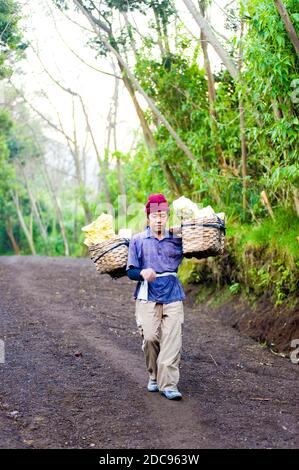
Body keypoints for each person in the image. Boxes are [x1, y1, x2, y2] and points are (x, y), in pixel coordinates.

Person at [126, 193, 185, 401]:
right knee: (150, 337)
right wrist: (142, 273)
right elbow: (130, 270)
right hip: (147, 294)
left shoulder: (177, 239)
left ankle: (169, 384)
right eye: (155, 215)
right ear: (148, 218)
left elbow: (198, 250)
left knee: (172, 339)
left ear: (167, 216)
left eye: (162, 215)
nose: (159, 219)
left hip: (172, 293)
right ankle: (153, 374)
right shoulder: (138, 241)